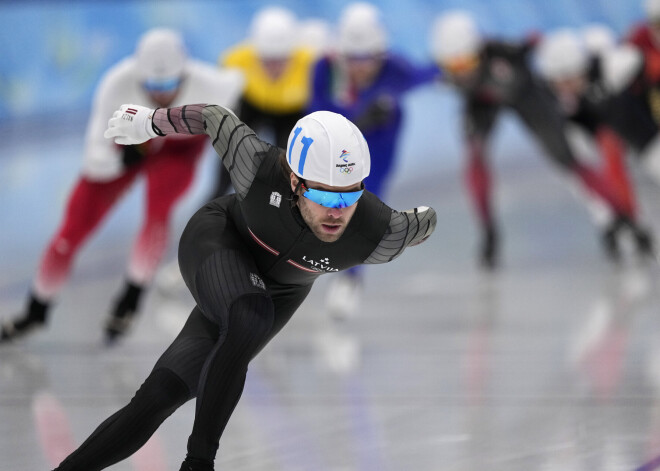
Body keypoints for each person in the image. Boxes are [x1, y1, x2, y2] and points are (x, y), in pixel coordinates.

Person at [51, 101, 436, 471]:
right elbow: (214, 117)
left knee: (158, 398)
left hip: (281, 291)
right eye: (322, 194)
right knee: (250, 316)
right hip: (220, 241)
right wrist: (152, 121)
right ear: (293, 180)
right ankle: (199, 463)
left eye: (350, 195)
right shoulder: (258, 167)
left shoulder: (379, 233)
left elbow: (423, 221)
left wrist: (426, 220)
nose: (336, 211)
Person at [0, 29, 244, 343]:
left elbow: (241, 81)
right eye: (151, 86)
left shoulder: (212, 85)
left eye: (169, 85)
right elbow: (93, 159)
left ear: (185, 74)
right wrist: (121, 161)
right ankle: (36, 308)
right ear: (137, 76)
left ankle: (130, 297)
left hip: (178, 151)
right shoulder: (117, 84)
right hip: (129, 142)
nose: (160, 94)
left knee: (158, 211)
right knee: (71, 230)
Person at [430, 11, 645, 268]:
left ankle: (626, 218)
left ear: (480, 49)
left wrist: (542, 47)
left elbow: (535, 45)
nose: (461, 73)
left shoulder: (505, 53)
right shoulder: (454, 77)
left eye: (465, 63)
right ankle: (488, 231)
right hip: (482, 104)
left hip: (529, 99)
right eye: (453, 67)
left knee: (568, 161)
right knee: (474, 160)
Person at [309, 2, 440, 319]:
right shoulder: (324, 69)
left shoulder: (394, 68)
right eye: (353, 58)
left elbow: (430, 73)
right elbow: (315, 111)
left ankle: (350, 279)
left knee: (362, 205)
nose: (361, 66)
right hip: (336, 139)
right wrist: (359, 117)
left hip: (380, 145)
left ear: (380, 53)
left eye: (368, 58)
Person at [535, 28, 655, 259]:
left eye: (572, 78)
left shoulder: (613, 64)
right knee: (582, 169)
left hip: (630, 123)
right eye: (559, 82)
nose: (567, 87)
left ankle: (627, 219)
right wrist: (609, 219)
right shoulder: (546, 90)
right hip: (589, 130)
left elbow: (645, 62)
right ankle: (614, 221)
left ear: (584, 66)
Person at [209, 6, 317, 200]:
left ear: (294, 53)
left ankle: (287, 212)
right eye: (267, 60)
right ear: (255, 54)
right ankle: (211, 203)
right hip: (254, 105)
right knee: (231, 153)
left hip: (291, 113)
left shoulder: (311, 62)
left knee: (289, 167)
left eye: (282, 60)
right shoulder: (235, 60)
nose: (274, 67)